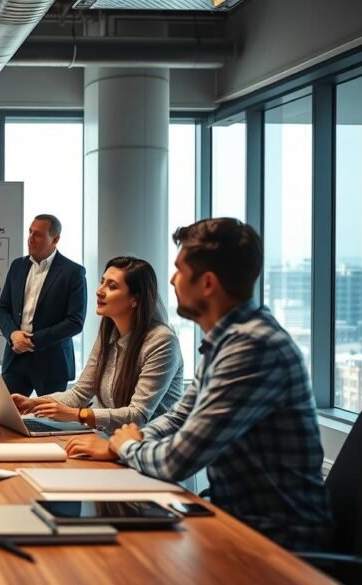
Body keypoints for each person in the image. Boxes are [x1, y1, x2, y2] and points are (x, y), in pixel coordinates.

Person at [66, 218, 332, 551]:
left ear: (207, 283)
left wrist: (123, 447)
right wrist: (125, 441)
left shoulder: (252, 347)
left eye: (179, 270)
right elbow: (180, 416)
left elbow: (178, 460)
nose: (173, 280)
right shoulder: (225, 341)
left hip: (278, 542)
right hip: (237, 522)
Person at [11, 256, 183, 433]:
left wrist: (79, 415)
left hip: (151, 449)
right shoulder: (108, 334)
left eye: (112, 286)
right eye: (102, 282)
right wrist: (33, 404)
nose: (99, 291)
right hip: (113, 441)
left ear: (135, 299)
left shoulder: (162, 341)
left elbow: (138, 415)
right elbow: (79, 394)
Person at [0, 214, 87, 396]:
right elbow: (2, 309)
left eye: (38, 234)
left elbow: (75, 322)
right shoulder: (17, 266)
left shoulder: (72, 272)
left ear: (55, 239)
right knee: (5, 416)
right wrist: (13, 334)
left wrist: (32, 340)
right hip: (16, 358)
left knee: (49, 422)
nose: (30, 238)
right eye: (30, 232)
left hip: (52, 361)